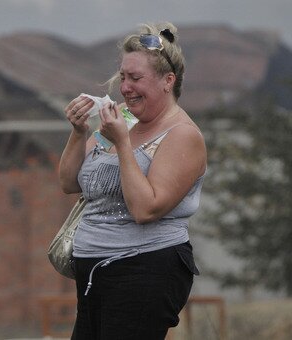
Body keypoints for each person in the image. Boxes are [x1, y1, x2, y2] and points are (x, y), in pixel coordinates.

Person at [58, 22, 206, 340]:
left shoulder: (182, 135)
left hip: (145, 271)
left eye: (135, 78)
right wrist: (79, 131)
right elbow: (70, 182)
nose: (125, 87)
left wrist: (123, 144)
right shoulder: (125, 117)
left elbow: (145, 209)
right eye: (123, 77)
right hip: (93, 273)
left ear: (168, 81)